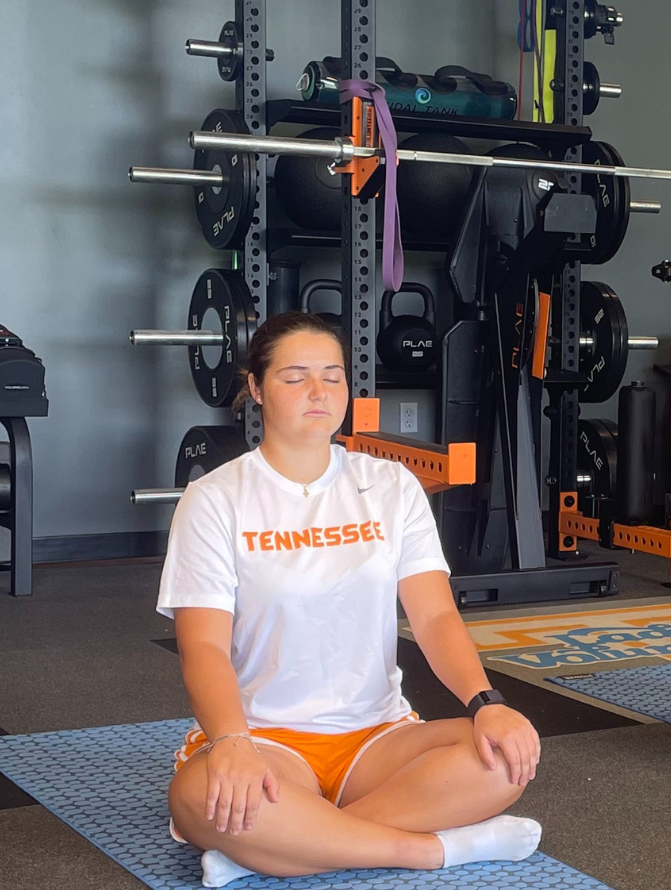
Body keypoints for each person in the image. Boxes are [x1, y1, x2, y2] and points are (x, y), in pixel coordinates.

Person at [159, 312, 542, 887]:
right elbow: (203, 648)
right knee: (197, 796)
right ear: (256, 388)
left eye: (332, 377)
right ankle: (435, 849)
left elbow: (435, 615)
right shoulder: (215, 499)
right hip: (264, 738)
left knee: (505, 758)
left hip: (378, 737)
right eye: (295, 377)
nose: (318, 392)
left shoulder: (390, 486)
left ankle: (285, 846)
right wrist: (232, 742)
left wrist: (486, 702)